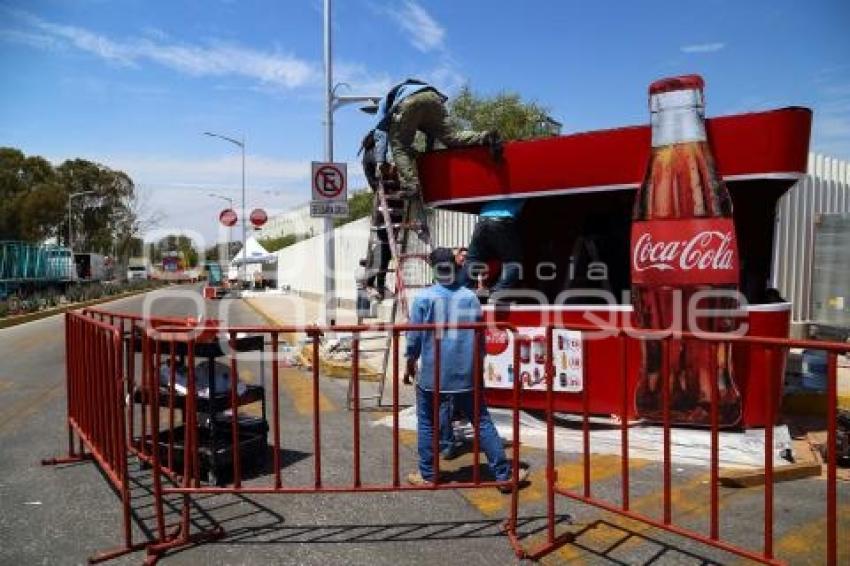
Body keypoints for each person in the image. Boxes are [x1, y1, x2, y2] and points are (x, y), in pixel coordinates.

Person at [404, 247, 528, 491]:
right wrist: (478, 364)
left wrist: (409, 364)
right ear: (456, 266)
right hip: (466, 374)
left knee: (427, 422)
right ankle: (503, 475)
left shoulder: (424, 298)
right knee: (481, 421)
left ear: (433, 269)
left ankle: (428, 474)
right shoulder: (470, 298)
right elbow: (480, 338)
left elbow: (414, 339)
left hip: (433, 375)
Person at [371, 79, 503, 243]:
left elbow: (380, 134)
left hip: (410, 101)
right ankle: (485, 137)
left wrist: (380, 161)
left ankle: (410, 185)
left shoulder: (384, 104)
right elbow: (432, 134)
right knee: (450, 138)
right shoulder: (414, 94)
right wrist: (428, 155)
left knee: (399, 146)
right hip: (433, 98)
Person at [463, 198, 527, 298]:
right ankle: (497, 293)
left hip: (482, 220)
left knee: (473, 259)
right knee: (513, 262)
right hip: (502, 221)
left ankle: (461, 291)